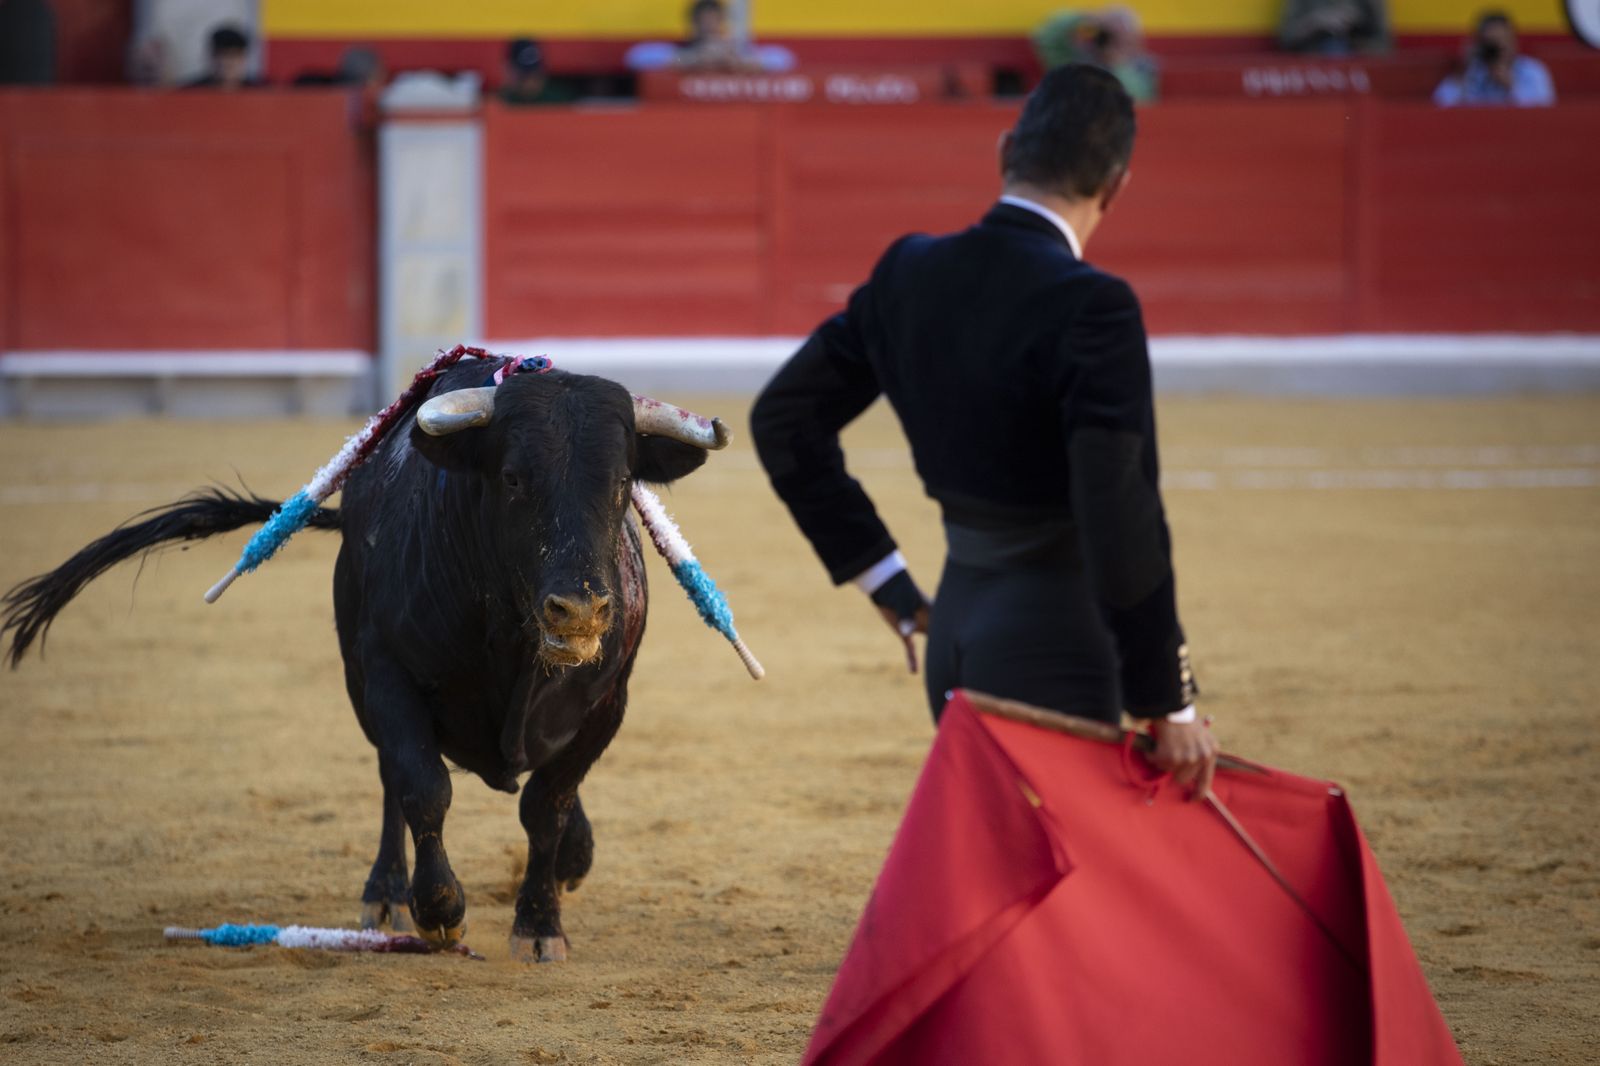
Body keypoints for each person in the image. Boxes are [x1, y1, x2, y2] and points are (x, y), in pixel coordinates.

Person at [750, 64, 1216, 797]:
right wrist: (1167, 697)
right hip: (1055, 644)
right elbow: (1118, 509)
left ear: (1005, 153)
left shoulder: (909, 271)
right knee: (1060, 863)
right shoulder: (1095, 308)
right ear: (1115, 186)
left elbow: (783, 419)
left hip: (957, 631)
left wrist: (884, 578)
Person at [625, 0, 795, 74]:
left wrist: (742, 62)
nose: (708, 26)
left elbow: (784, 59)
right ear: (692, 23)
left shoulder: (737, 52)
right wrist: (691, 59)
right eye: (703, 21)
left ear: (722, 22)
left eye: (713, 21)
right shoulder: (683, 51)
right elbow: (635, 57)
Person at [1032, 7, 1160, 103]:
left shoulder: (1142, 66)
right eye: (1108, 33)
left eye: (1119, 34)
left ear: (1134, 38)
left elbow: (1138, 100)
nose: (1111, 41)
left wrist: (1117, 62)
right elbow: (1047, 37)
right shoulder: (1080, 62)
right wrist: (1083, 18)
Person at [1433, 11, 1555, 107]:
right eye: (1493, 43)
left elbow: (1545, 108)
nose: (1499, 48)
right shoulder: (1472, 71)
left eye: (1503, 40)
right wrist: (1463, 71)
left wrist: (1511, 85)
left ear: (1514, 42)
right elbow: (1441, 103)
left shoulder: (1531, 70)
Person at [1277, 0, 1390, 55]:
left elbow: (1384, 48)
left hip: (1358, 67)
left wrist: (1354, 23)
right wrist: (1316, 22)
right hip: (1313, 67)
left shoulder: (1370, 3)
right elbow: (1286, 41)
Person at [498, 38, 577, 106]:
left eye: (536, 76)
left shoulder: (558, 100)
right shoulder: (502, 103)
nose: (531, 83)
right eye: (524, 77)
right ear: (509, 71)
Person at [182, 25, 259, 90]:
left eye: (235, 55)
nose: (229, 63)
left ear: (244, 58)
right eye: (223, 55)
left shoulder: (259, 92)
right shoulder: (189, 92)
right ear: (211, 57)